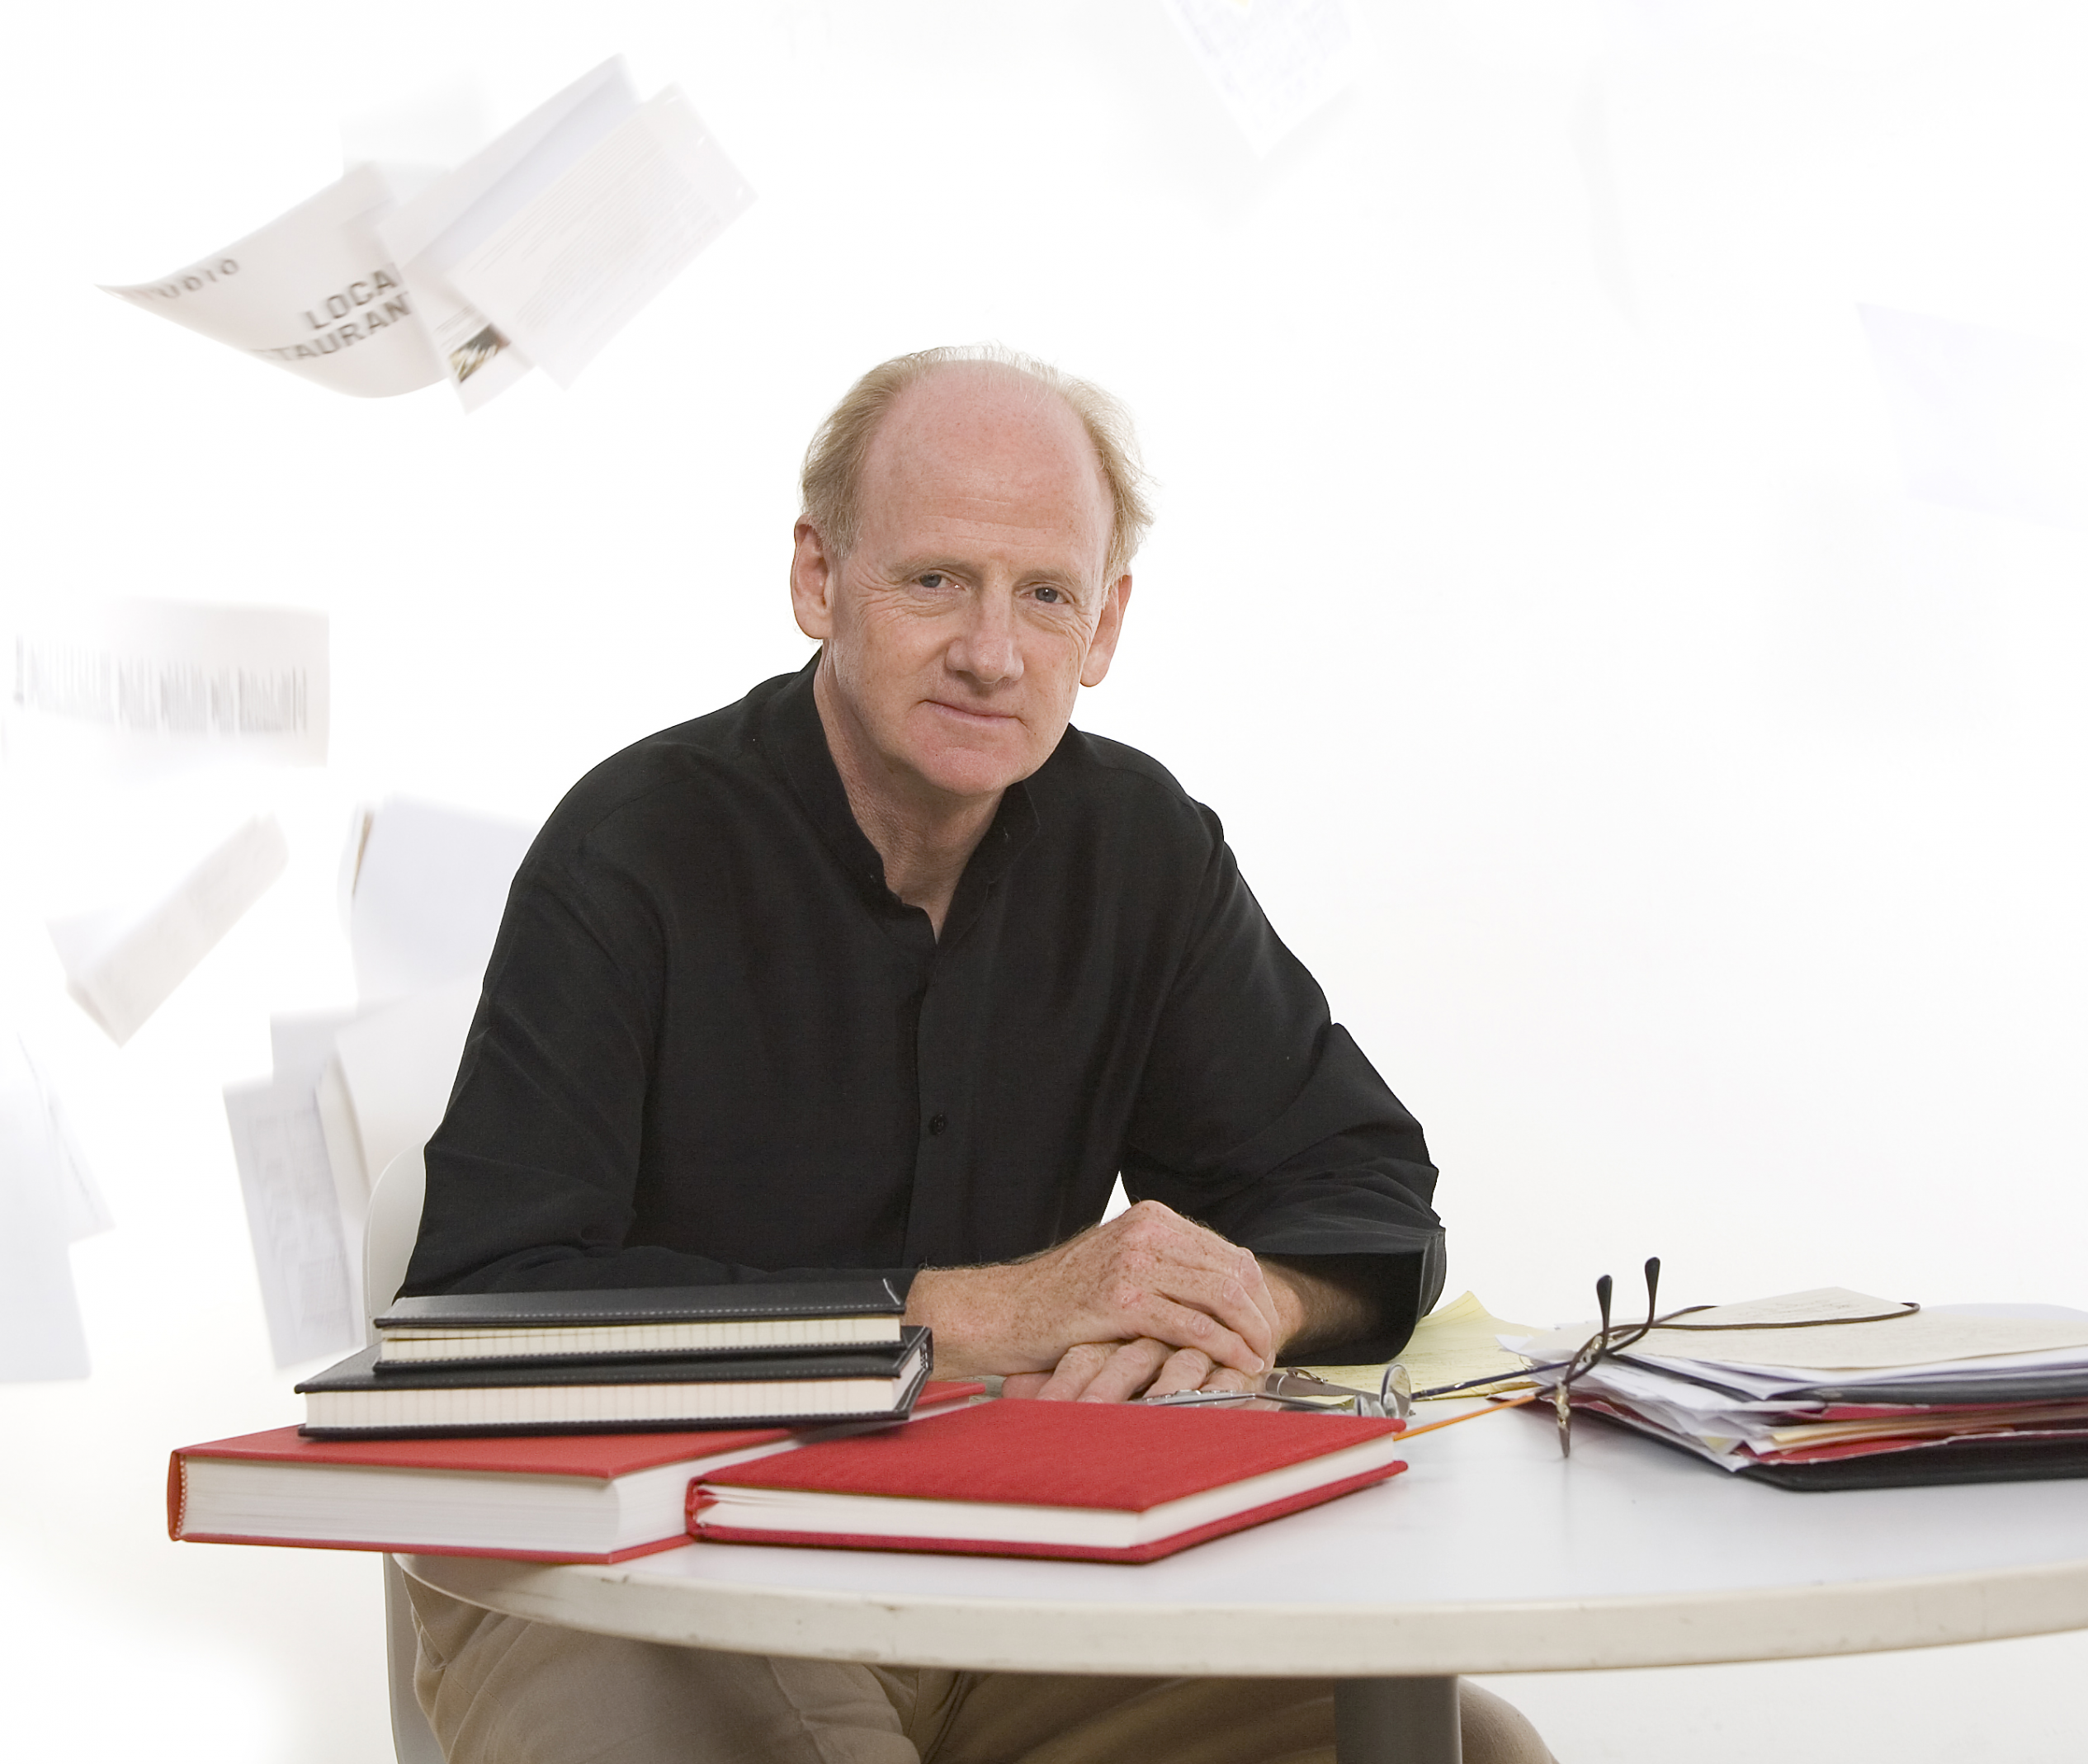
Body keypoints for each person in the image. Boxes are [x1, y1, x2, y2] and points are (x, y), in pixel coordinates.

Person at [399, 346, 1557, 1763]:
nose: (994, 651)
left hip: (990, 1586)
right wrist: (975, 1312)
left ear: (1108, 624)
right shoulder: (633, 846)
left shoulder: (1140, 850)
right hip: (634, 1580)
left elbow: (1365, 1190)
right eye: (936, 580)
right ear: (820, 578)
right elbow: (482, 1311)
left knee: (1461, 1751)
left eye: (1046, 594)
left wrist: (1238, 1296)